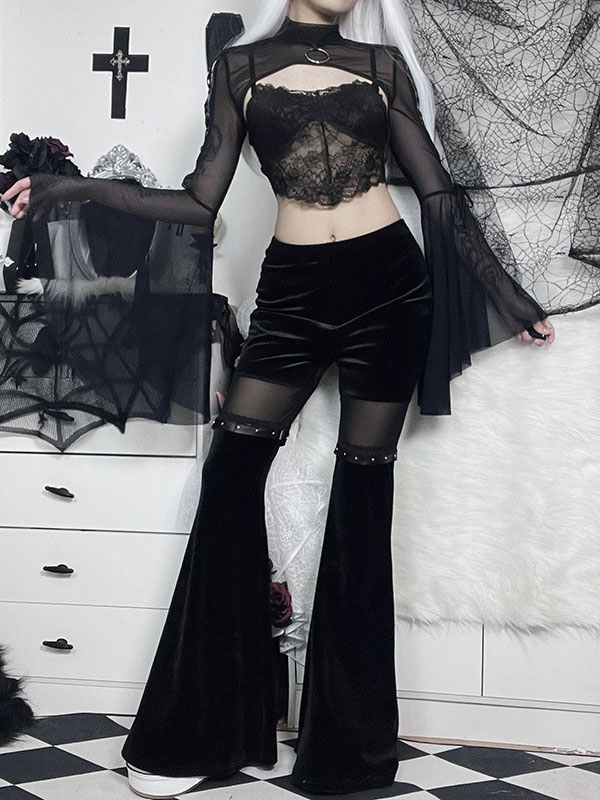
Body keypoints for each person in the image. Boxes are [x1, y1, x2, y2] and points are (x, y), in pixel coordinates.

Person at [2, 0, 555, 796]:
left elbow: (436, 193)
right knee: (231, 481)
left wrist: (509, 296)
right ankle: (207, 733)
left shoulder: (382, 67)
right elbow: (199, 201)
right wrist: (64, 188)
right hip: (293, 295)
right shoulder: (239, 67)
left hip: (391, 289)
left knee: (363, 496)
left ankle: (349, 749)